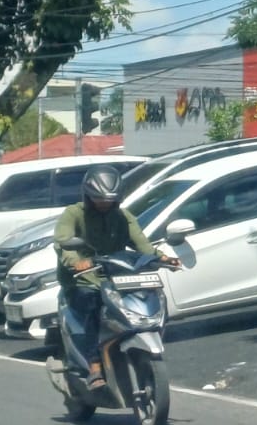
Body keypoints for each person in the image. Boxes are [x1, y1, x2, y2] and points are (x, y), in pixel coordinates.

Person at [54, 164, 179, 390]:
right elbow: (64, 243)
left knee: (152, 298)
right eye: (99, 198)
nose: (104, 203)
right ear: (88, 196)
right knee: (92, 305)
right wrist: (76, 262)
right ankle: (94, 365)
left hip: (117, 279)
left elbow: (143, 246)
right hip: (83, 280)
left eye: (109, 200)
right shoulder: (73, 214)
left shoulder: (123, 217)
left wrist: (164, 259)